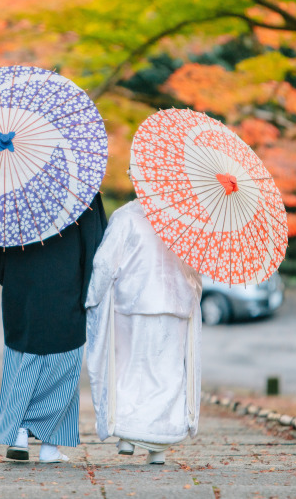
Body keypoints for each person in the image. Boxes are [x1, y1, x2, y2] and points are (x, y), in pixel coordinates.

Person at [0, 194, 107, 463]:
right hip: (66, 282)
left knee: (22, 360)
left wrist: (10, 274)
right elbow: (96, 242)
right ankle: (50, 446)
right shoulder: (81, 188)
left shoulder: (9, 186)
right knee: (65, 363)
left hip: (22, 285)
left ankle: (17, 432)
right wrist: (88, 290)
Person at [85, 199, 201, 465]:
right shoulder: (185, 219)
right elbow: (195, 267)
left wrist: (94, 296)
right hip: (175, 305)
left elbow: (104, 263)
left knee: (129, 368)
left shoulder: (126, 216)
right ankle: (158, 445)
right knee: (168, 373)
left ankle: (126, 433)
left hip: (134, 302)